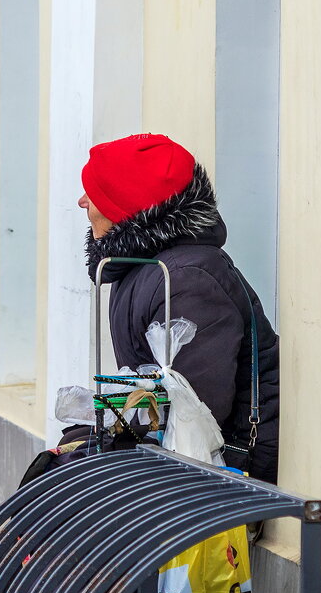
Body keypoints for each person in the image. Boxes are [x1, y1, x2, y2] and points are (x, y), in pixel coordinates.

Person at [78, 133, 279, 483]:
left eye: (95, 193)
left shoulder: (186, 279)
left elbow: (195, 414)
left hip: (226, 466)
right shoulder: (143, 265)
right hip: (177, 449)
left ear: (126, 205)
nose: (83, 202)